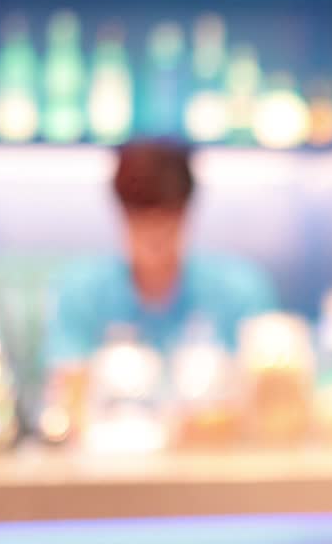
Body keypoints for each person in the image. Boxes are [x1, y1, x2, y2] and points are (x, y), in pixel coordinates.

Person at [42, 138, 277, 435]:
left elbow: (270, 405)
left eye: (167, 223)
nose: (154, 240)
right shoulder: (81, 291)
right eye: (141, 222)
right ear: (121, 214)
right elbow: (67, 405)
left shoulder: (239, 289)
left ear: (187, 214)